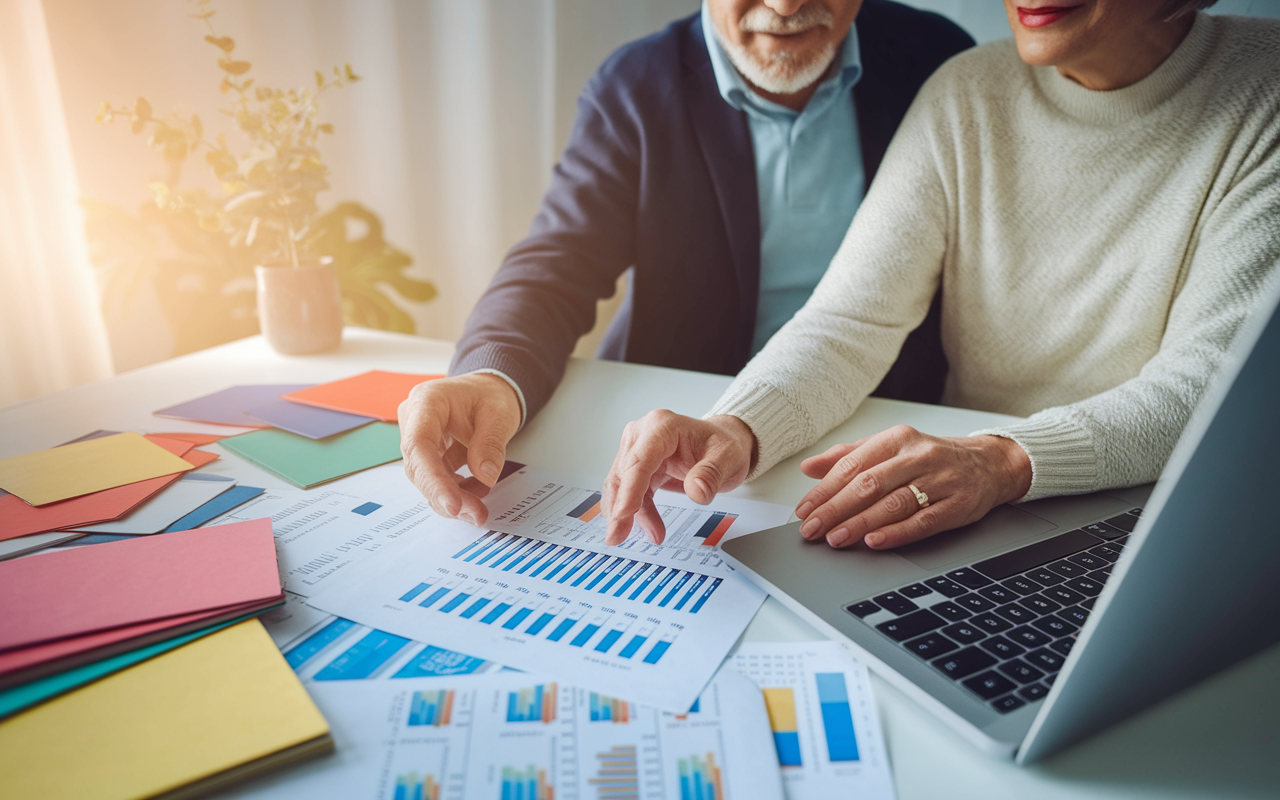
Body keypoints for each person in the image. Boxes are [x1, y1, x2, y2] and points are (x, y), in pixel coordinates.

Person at [600, 0, 1280, 550]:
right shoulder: (968, 91)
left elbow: (1212, 389)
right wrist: (737, 430)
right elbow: (851, 320)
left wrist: (1006, 460)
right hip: (968, 504)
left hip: (1157, 512)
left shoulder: (1263, 90)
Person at [398, 0, 974, 526]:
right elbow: (559, 263)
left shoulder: (937, 63)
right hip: (679, 429)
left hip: (871, 419)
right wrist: (491, 374)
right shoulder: (636, 85)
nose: (785, 6)